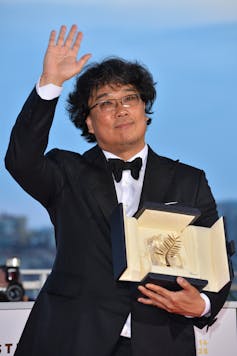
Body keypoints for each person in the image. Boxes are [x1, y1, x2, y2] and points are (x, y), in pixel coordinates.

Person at [5, 25, 231, 356]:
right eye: (106, 103)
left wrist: (203, 304)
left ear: (144, 109)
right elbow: (20, 160)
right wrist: (50, 84)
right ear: (89, 122)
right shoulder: (66, 172)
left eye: (129, 98)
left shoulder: (189, 180)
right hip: (71, 340)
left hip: (160, 342)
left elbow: (217, 259)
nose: (121, 108)